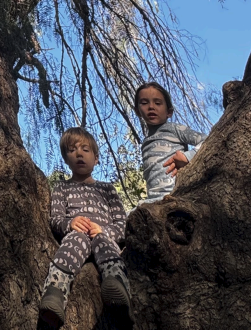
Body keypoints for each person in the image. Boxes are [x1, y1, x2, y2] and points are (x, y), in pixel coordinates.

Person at [39, 127, 132, 328]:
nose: (79, 153)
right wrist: (70, 224)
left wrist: (104, 231)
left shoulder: (107, 189)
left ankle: (116, 283)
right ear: (66, 159)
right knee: (76, 238)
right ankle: (55, 292)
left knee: (103, 242)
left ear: (96, 159)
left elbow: (122, 226)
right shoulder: (62, 188)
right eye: (72, 150)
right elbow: (55, 219)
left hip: (103, 238)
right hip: (76, 241)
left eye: (85, 149)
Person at [134, 81, 207, 204]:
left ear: (169, 112)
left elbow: (206, 140)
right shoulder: (146, 142)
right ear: (137, 111)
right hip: (153, 200)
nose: (151, 106)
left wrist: (187, 156)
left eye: (157, 103)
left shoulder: (174, 128)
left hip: (176, 194)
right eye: (144, 103)